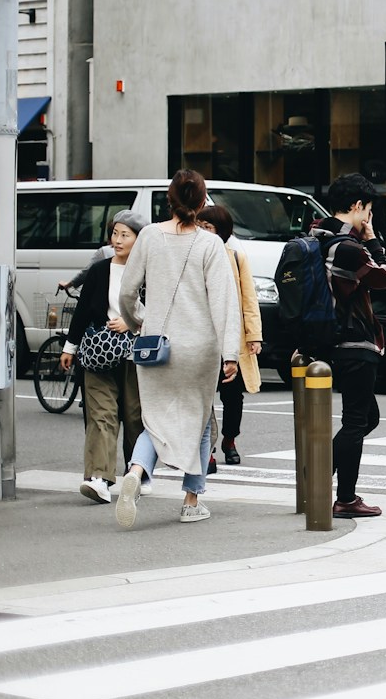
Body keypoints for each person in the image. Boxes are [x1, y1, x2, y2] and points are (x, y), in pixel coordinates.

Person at [115, 170, 242, 527]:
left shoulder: (150, 237)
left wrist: (140, 319)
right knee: (199, 419)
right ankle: (190, 501)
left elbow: (126, 291)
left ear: (169, 200)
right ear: (203, 203)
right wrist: (230, 352)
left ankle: (136, 471)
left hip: (155, 345)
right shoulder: (210, 244)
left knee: (155, 420)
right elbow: (223, 302)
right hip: (199, 348)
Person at [308, 172, 386, 519]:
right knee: (358, 419)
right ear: (358, 206)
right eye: (368, 210)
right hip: (353, 340)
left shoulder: (316, 237)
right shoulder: (346, 248)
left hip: (333, 340)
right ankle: (344, 498)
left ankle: (317, 476)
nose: (369, 218)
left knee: (366, 417)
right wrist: (373, 239)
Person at [58, 210, 149, 503]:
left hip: (135, 353)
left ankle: (138, 473)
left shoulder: (149, 271)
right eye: (115, 234)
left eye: (126, 235)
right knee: (101, 415)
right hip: (97, 351)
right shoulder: (99, 270)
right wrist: (69, 348)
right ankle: (99, 478)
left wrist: (133, 320)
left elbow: (161, 308)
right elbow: (83, 310)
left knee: (135, 416)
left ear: (139, 239)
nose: (118, 240)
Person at [199, 205, 262, 467]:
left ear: (221, 231)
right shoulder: (194, 257)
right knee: (203, 398)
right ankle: (208, 449)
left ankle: (230, 439)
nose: (203, 232)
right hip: (203, 339)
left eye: (208, 228)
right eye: (200, 227)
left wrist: (254, 335)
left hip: (232, 340)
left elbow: (249, 299)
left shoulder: (236, 257)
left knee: (233, 396)